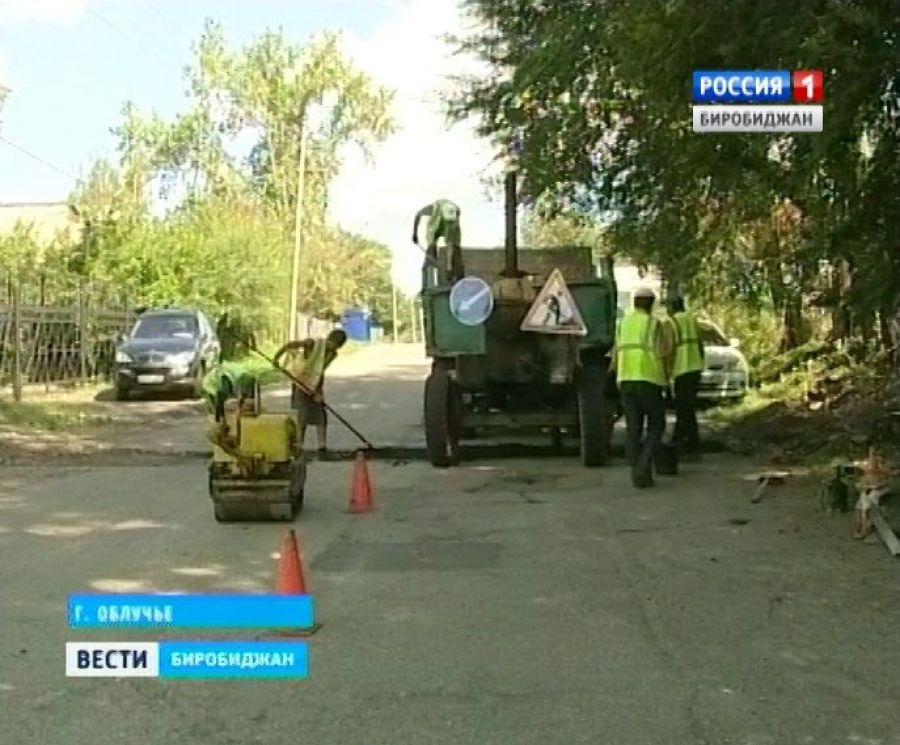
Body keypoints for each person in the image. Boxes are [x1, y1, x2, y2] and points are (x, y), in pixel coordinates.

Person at [611, 286, 675, 488]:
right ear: (651, 304)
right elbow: (665, 353)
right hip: (649, 380)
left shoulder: (622, 323)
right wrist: (667, 377)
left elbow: (615, 354)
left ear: (634, 303)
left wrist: (614, 377)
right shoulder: (654, 324)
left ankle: (638, 472)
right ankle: (642, 466)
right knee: (657, 426)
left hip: (625, 380)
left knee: (634, 427)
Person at [274, 328, 347, 459]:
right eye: (332, 344)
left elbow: (319, 372)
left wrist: (318, 392)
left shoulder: (332, 354)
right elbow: (289, 345)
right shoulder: (312, 344)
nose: (332, 347)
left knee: (320, 416)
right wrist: (276, 358)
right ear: (329, 339)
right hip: (300, 384)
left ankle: (322, 447)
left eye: (336, 346)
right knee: (302, 416)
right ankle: (299, 447)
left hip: (315, 385)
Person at [669, 295, 705, 458]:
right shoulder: (692, 320)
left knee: (683, 408)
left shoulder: (673, 322)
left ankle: (690, 442)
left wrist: (667, 370)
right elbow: (699, 344)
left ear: (672, 307)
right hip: (695, 367)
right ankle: (681, 438)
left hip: (681, 368)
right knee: (687, 407)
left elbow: (670, 347)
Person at [412, 199, 463, 286]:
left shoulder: (455, 213)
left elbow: (450, 244)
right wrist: (415, 233)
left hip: (450, 220)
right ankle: (430, 264)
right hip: (435, 223)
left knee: (455, 247)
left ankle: (455, 274)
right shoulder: (433, 208)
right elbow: (418, 214)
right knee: (431, 245)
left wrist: (449, 267)